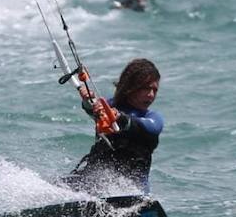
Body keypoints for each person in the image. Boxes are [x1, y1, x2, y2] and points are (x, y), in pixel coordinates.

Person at [60, 58, 164, 195]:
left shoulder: (152, 118)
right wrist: (87, 101)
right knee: (54, 187)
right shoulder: (108, 106)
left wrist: (120, 118)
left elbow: (153, 127)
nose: (151, 95)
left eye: (154, 90)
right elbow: (93, 110)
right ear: (131, 87)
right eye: (145, 88)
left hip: (131, 191)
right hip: (92, 182)